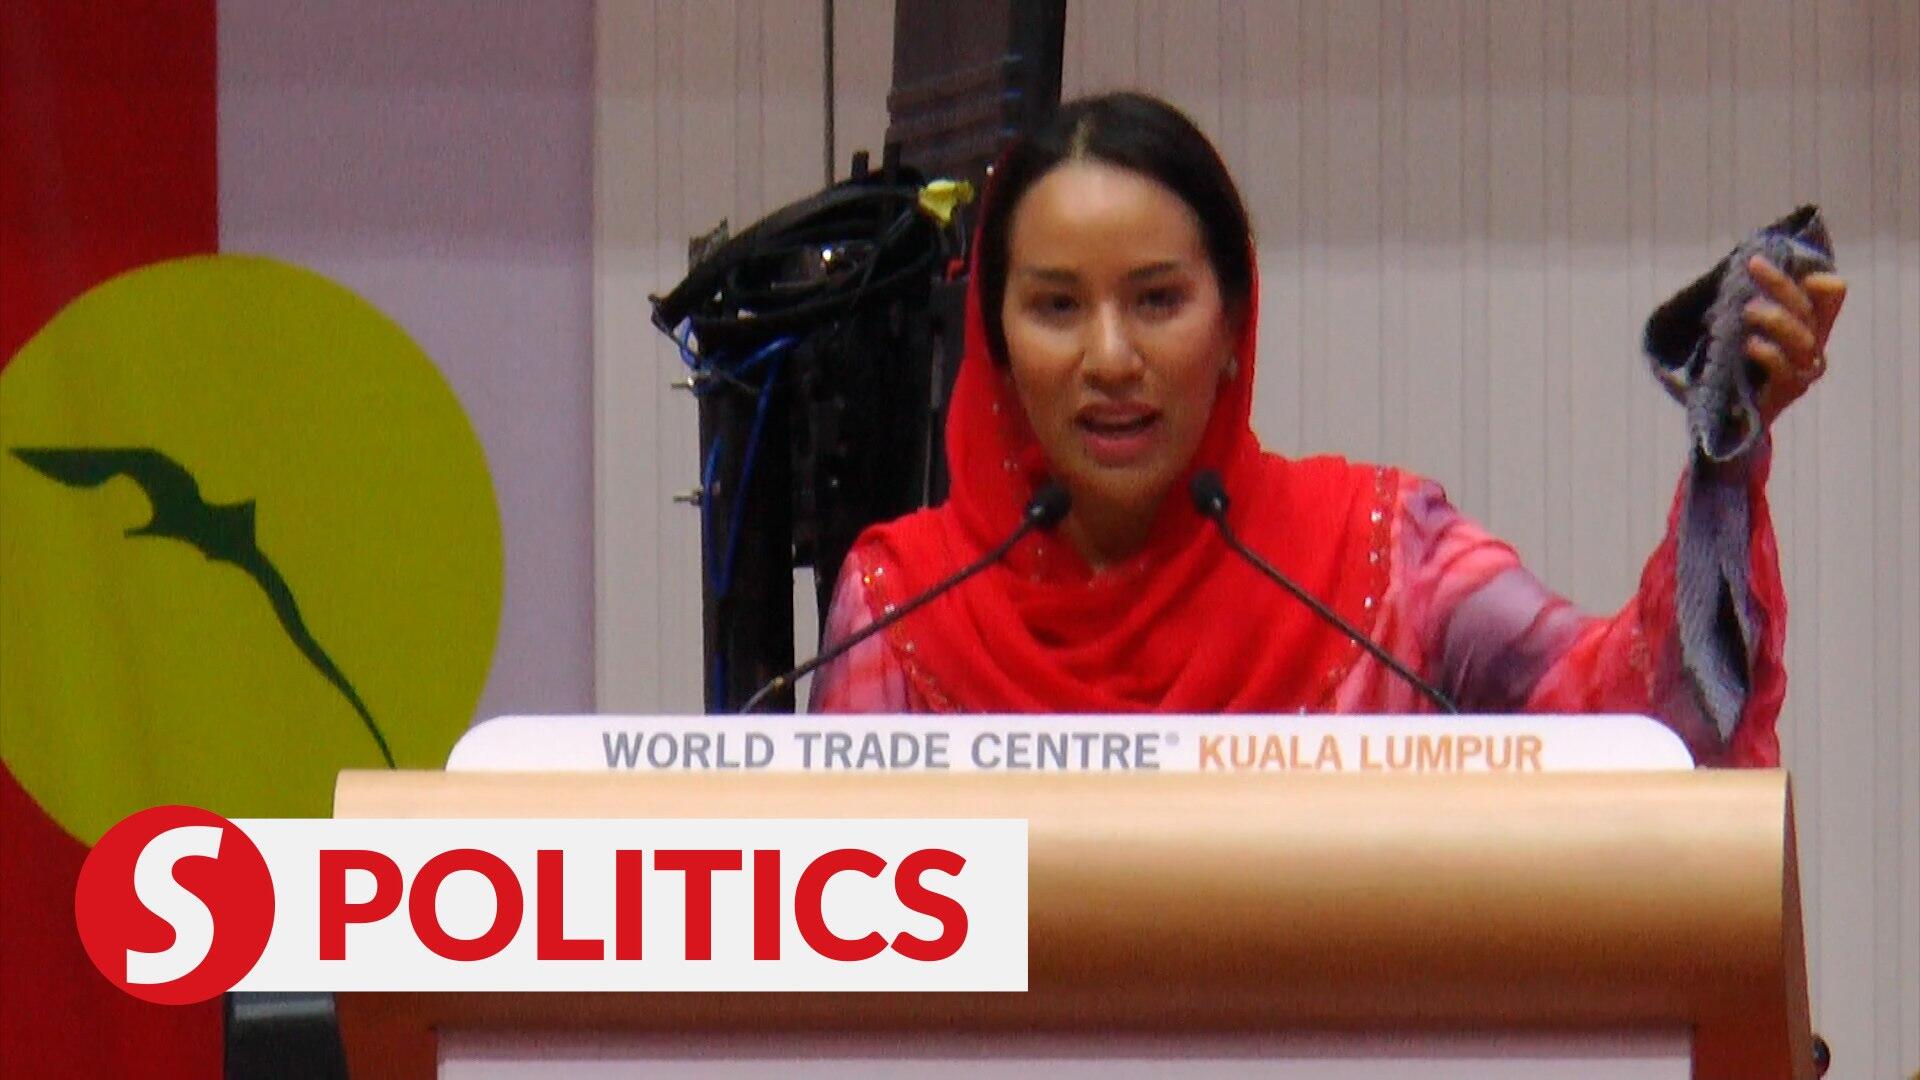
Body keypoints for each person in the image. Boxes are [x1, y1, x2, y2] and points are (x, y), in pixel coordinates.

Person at [808, 92, 1846, 769]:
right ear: (995, 339)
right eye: (1057, 306)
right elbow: (837, 971)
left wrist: (1726, 447)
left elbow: (1639, 734)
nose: (1111, 357)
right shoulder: (901, 606)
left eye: (1159, 300)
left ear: (1233, 325)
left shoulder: (1385, 560)